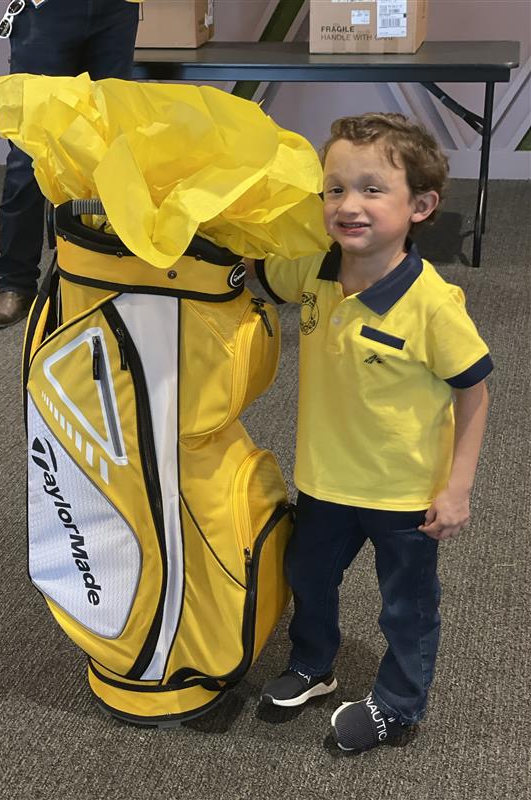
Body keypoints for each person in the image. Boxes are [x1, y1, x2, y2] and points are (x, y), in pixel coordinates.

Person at [252, 112, 492, 752]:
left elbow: (474, 391)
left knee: (405, 606)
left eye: (371, 188)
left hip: (403, 494)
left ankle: (399, 704)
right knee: (308, 575)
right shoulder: (311, 270)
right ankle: (314, 664)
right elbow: (250, 268)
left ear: (421, 204)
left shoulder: (433, 305)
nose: (347, 204)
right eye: (334, 189)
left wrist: (458, 487)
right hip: (325, 477)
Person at [0, 0, 142, 330]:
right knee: (30, 152)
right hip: (46, 11)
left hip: (118, 9)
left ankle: (100, 276)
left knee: (106, 145)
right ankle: (15, 283)